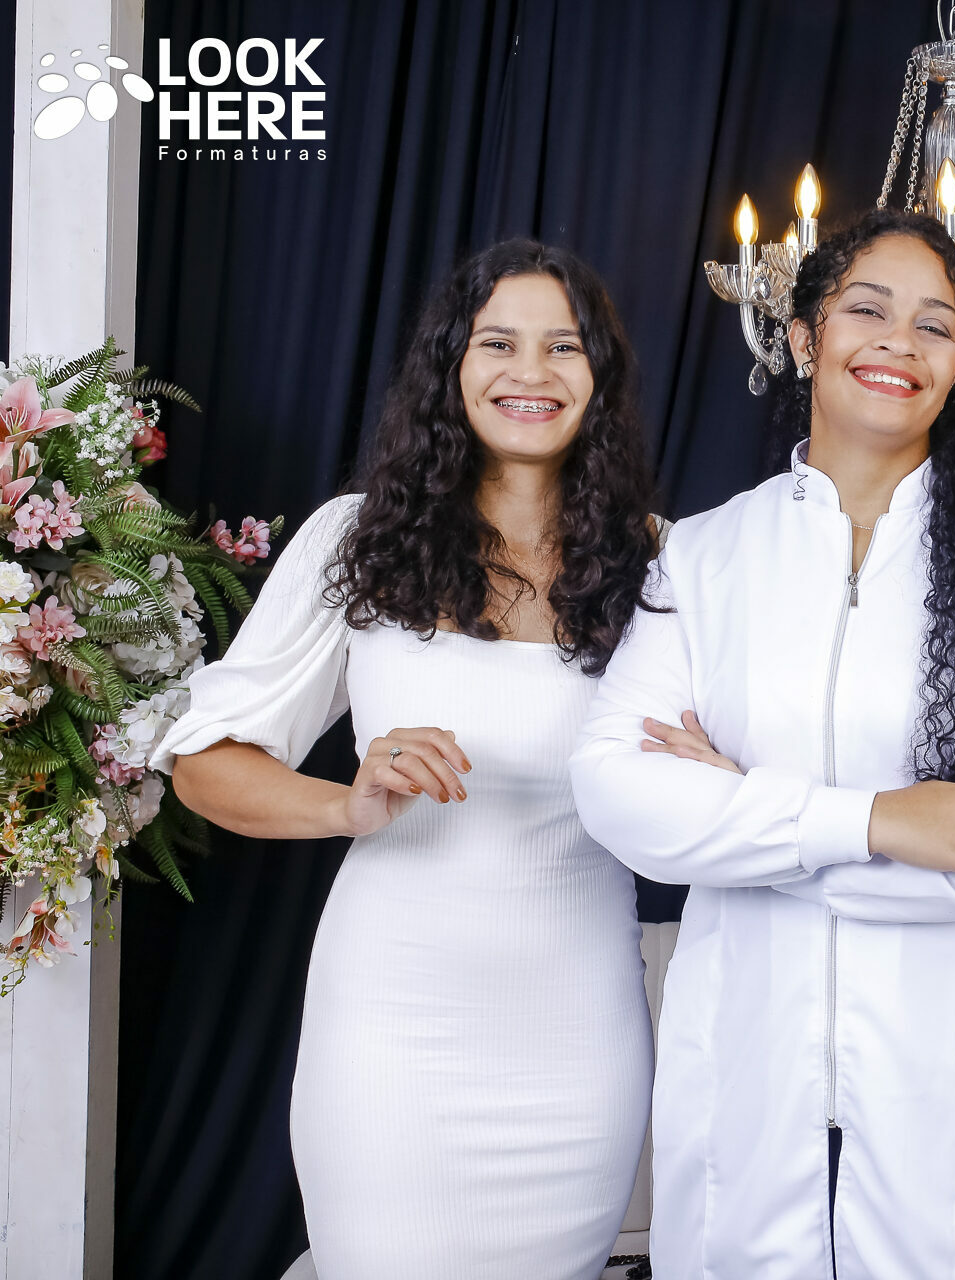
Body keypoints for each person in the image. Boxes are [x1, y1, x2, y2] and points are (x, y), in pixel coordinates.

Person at [570, 208, 955, 1279]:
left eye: (935, 325)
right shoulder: (704, 555)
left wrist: (744, 820)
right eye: (867, 310)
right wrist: (879, 823)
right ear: (805, 338)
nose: (899, 342)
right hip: (749, 1072)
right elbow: (615, 791)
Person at [154, 240, 662, 1279]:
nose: (531, 372)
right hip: (392, 1032)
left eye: (565, 346)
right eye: (498, 343)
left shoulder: (661, 561)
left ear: (600, 377)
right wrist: (347, 803)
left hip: (579, 1042)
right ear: (450, 364)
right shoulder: (360, 539)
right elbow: (202, 761)